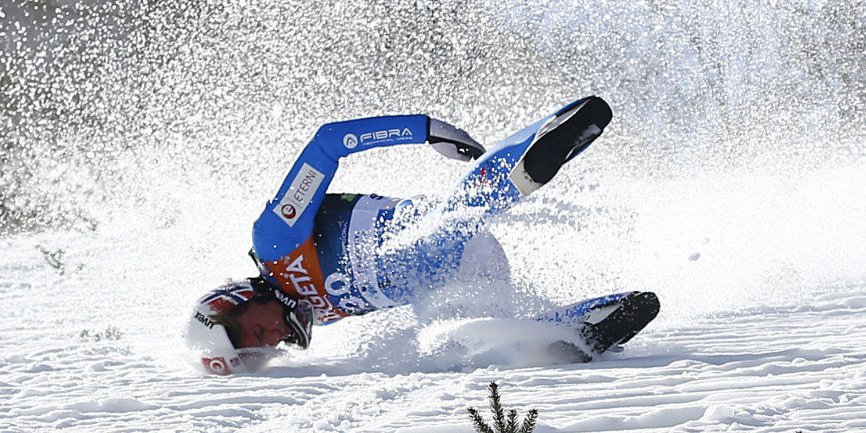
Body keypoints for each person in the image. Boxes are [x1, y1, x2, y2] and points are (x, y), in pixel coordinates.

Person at [186, 97, 617, 374]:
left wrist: (426, 130)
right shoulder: (318, 313)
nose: (274, 339)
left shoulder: (275, 241)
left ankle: (521, 162)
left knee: (415, 251)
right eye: (265, 349)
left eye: (257, 334)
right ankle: (546, 335)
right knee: (444, 348)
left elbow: (328, 143)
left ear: (240, 302)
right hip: (474, 274)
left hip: (435, 229)